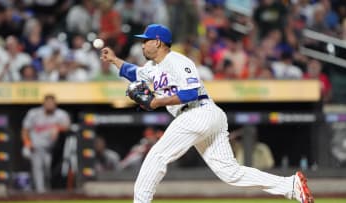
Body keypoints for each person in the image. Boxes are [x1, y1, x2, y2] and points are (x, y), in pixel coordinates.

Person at [100, 24, 314, 203]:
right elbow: (133, 72)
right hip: (203, 118)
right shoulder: (151, 68)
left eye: (146, 40)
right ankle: (290, 186)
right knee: (230, 173)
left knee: (157, 155)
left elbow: (191, 92)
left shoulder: (177, 61)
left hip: (198, 112)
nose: (142, 44)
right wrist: (114, 59)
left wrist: (158, 101)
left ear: (157, 42)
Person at [21, 94, 71, 193]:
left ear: (55, 104)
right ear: (43, 103)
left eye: (52, 103)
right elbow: (25, 130)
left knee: (47, 170)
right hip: (35, 147)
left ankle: (46, 191)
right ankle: (40, 192)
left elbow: (68, 126)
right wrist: (27, 144)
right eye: (47, 103)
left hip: (51, 149)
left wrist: (58, 128)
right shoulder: (34, 113)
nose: (49, 105)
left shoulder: (60, 114)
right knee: (37, 168)